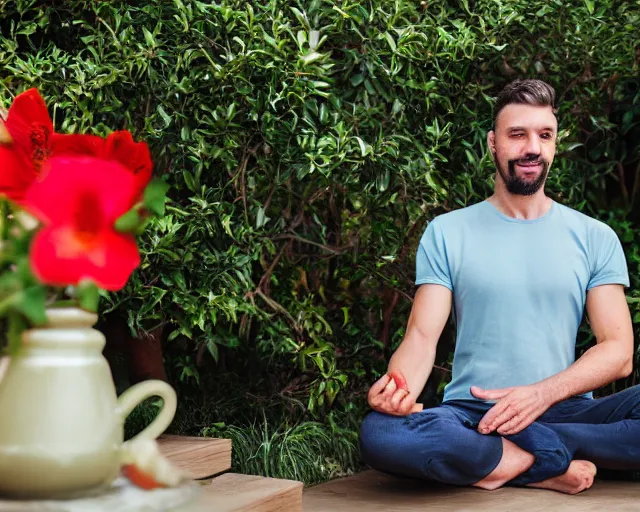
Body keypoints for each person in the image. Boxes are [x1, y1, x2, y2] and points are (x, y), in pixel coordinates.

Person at [359, 79, 637, 495]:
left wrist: (540, 395)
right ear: (493, 143)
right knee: (381, 434)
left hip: (567, 411)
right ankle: (537, 463)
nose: (532, 148)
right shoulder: (448, 232)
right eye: (517, 134)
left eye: (544, 135)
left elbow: (618, 353)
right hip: (475, 414)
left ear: (555, 144)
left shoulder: (594, 236)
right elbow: (420, 337)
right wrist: (397, 393)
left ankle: (520, 455)